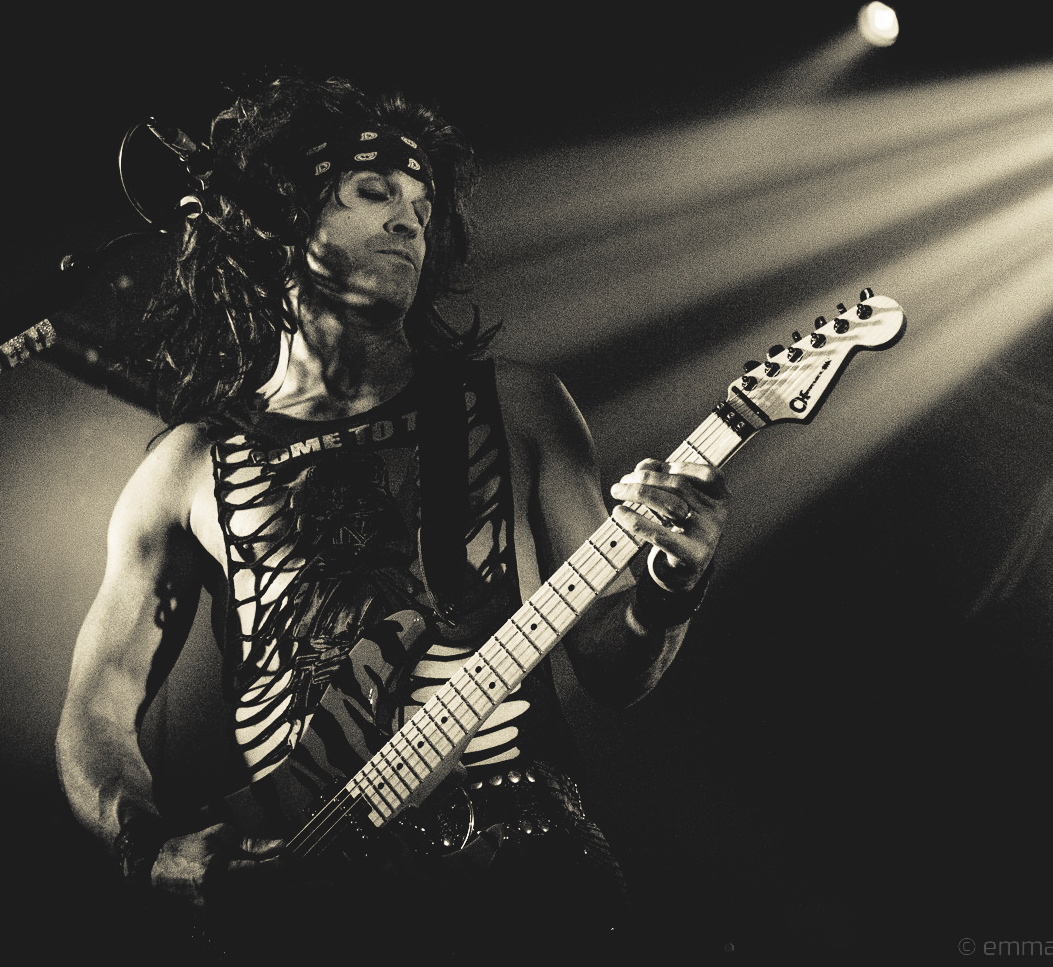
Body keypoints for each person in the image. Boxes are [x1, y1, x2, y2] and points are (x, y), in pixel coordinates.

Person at [54, 75, 729, 956]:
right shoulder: (187, 465)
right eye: (375, 192)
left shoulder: (519, 405)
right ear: (280, 216)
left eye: (422, 204)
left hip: (521, 887)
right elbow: (98, 702)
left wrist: (671, 589)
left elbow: (612, 666)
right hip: (301, 898)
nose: (410, 220)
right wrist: (145, 849)